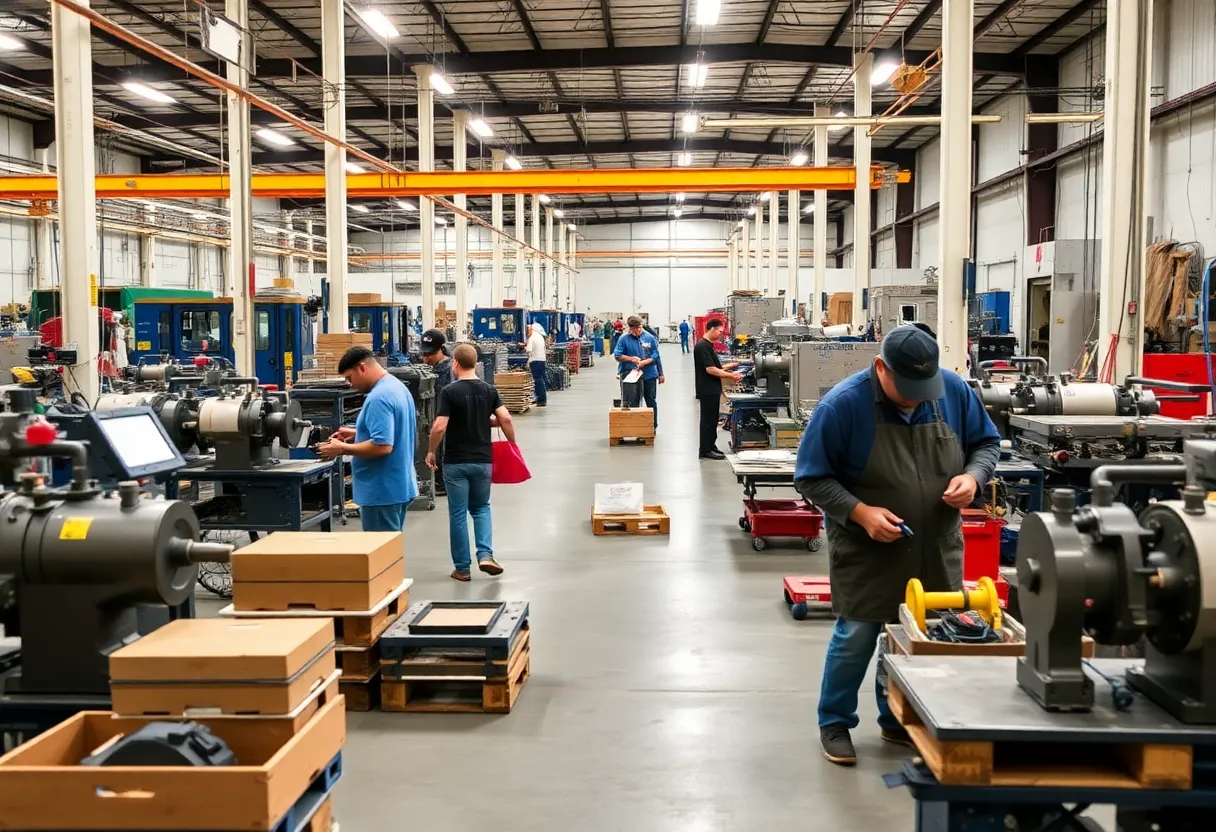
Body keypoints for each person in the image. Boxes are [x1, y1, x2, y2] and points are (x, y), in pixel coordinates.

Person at [794, 325, 1000, 766]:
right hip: (868, 551)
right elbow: (811, 478)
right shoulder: (843, 406)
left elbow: (986, 444)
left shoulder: (952, 391)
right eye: (906, 389)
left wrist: (973, 477)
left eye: (923, 390)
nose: (915, 399)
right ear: (881, 368)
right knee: (857, 636)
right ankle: (835, 721)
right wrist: (859, 512)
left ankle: (896, 719)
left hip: (936, 547)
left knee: (915, 637)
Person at [426, 344, 514, 581]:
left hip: (456, 462)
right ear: (475, 363)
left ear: (455, 363)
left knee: (457, 513)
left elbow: (440, 426)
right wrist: (512, 445)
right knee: (481, 507)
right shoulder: (489, 390)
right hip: (482, 461)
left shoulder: (449, 391)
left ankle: (462, 569)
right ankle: (485, 555)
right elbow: (505, 418)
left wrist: (431, 450)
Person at [318, 346, 419, 532]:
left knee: (381, 549)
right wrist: (358, 433)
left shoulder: (378, 398)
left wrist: (342, 448)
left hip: (381, 491)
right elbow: (394, 432)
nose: (350, 384)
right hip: (398, 484)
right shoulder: (397, 387)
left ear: (362, 368)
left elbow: (382, 446)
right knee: (391, 547)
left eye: (350, 378)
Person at [693, 318, 742, 460]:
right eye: (720, 331)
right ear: (712, 329)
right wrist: (731, 376)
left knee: (713, 419)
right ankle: (705, 450)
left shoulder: (708, 345)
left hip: (712, 389)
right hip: (707, 389)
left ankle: (711, 445)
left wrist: (731, 365)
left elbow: (716, 367)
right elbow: (710, 369)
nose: (721, 334)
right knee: (708, 421)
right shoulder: (703, 346)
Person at [419, 328, 453, 496]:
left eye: (430, 354)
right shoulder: (428, 369)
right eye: (424, 354)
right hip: (431, 416)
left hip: (445, 418)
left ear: (441, 349)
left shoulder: (450, 370)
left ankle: (444, 482)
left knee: (444, 447)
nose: (427, 358)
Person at [613, 315, 664, 427]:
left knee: (651, 400)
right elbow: (617, 355)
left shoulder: (649, 338)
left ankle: (652, 426)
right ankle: (634, 427)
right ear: (630, 328)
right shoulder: (623, 339)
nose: (638, 330)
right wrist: (631, 359)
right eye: (636, 328)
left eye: (640, 327)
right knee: (631, 402)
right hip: (630, 375)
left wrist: (660, 373)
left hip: (649, 374)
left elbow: (656, 355)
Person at [525, 321, 548, 408]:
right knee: (540, 380)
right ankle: (539, 398)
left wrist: (523, 346)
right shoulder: (540, 337)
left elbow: (528, 350)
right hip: (542, 360)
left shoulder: (532, 337)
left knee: (537, 381)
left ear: (531, 329)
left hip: (535, 361)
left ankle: (541, 400)